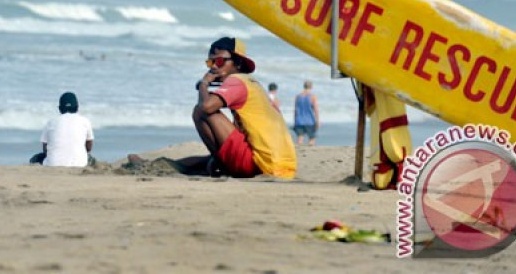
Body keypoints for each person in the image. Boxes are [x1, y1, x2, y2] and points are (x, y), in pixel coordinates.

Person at [130, 37, 297, 179]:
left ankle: (219, 164)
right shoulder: (254, 85)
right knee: (208, 159)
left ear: (237, 63)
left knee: (200, 111)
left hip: (262, 165)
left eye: (219, 61)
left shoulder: (237, 81)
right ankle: (161, 166)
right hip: (282, 166)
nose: (213, 67)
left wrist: (204, 84)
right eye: (210, 62)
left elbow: (206, 107)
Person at [31, 92, 94, 167]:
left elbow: (45, 149)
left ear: (60, 108)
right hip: (80, 164)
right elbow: (89, 147)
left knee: (35, 159)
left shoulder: (51, 122)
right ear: (77, 107)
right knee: (91, 159)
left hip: (53, 164)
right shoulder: (85, 121)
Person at [293, 80, 320, 146]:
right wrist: (317, 121)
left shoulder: (298, 96)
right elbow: (316, 110)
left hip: (299, 120)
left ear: (304, 86)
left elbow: (295, 110)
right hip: (309, 121)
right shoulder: (312, 97)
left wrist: (295, 121)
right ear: (311, 87)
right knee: (312, 138)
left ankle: (300, 153)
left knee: (300, 138)